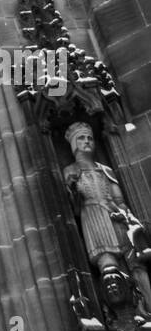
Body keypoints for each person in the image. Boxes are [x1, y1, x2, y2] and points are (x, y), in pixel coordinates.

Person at [64, 121, 151, 316]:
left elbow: (119, 200)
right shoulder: (70, 171)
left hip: (114, 218)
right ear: (73, 144)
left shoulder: (105, 169)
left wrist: (124, 214)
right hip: (94, 220)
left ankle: (148, 308)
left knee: (136, 264)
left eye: (89, 138)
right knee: (109, 267)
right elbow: (76, 209)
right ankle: (123, 315)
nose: (87, 141)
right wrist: (72, 190)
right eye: (81, 138)